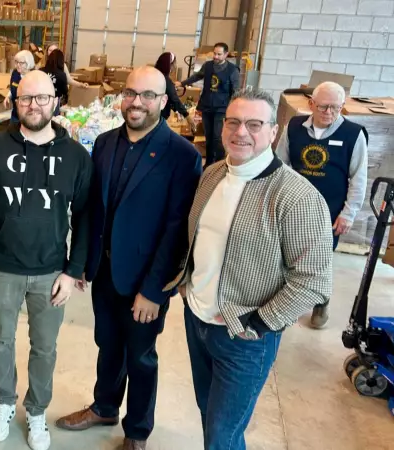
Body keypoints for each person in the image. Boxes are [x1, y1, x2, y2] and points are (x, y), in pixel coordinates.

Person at [166, 88, 332, 450]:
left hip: (244, 337)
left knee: (222, 435)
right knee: (209, 417)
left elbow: (314, 280)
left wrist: (258, 323)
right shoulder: (212, 174)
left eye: (254, 124)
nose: (241, 132)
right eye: (233, 122)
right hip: (198, 320)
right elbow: (195, 236)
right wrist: (185, 281)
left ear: (273, 132)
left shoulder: (297, 196)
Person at [56, 67, 202, 450]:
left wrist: (154, 291)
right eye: (130, 93)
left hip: (145, 279)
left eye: (148, 95)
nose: (137, 102)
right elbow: (92, 209)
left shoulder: (182, 156)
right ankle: (105, 407)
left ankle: (137, 431)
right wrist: (84, 262)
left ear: (163, 102)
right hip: (105, 271)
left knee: (140, 357)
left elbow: (177, 231)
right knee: (108, 344)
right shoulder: (105, 142)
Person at [0, 70, 93, 450]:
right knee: (1, 339)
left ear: (56, 101)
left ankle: (37, 411)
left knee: (45, 347)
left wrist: (73, 271)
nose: (34, 105)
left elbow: (86, 217)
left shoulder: (75, 157)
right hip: (1, 268)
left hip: (51, 271)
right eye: (25, 98)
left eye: (42, 98)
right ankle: (5, 403)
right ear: (15, 102)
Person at [275, 81, 368, 329]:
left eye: (336, 108)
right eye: (324, 107)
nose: (329, 113)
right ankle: (285, 303)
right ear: (311, 104)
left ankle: (321, 302)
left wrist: (349, 213)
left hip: (331, 210)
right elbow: (280, 164)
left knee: (321, 259)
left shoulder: (353, 134)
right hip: (294, 206)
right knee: (287, 255)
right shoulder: (294, 127)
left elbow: (359, 178)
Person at [177, 42, 240, 166]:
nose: (215, 56)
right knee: (208, 136)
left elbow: (236, 92)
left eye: (219, 54)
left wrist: (233, 110)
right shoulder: (208, 66)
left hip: (222, 109)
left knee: (217, 137)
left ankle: (220, 164)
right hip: (206, 106)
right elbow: (197, 76)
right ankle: (209, 163)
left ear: (226, 54)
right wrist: (182, 83)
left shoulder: (232, 70)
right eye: (214, 53)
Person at [155, 52, 195, 129]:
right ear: (168, 65)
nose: (175, 66)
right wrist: (187, 115)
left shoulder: (156, 75)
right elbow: (174, 99)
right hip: (159, 116)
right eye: (174, 63)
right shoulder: (165, 80)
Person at [2, 50, 36, 123]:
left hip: (28, 116)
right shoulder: (15, 73)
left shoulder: (34, 76)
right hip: (15, 114)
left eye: (21, 63)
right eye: (16, 62)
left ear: (28, 63)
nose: (17, 65)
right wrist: (8, 97)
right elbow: (12, 87)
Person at [40, 49, 68, 116]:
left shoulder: (41, 71)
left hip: (40, 100)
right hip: (54, 102)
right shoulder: (62, 75)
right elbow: (65, 90)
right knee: (53, 120)